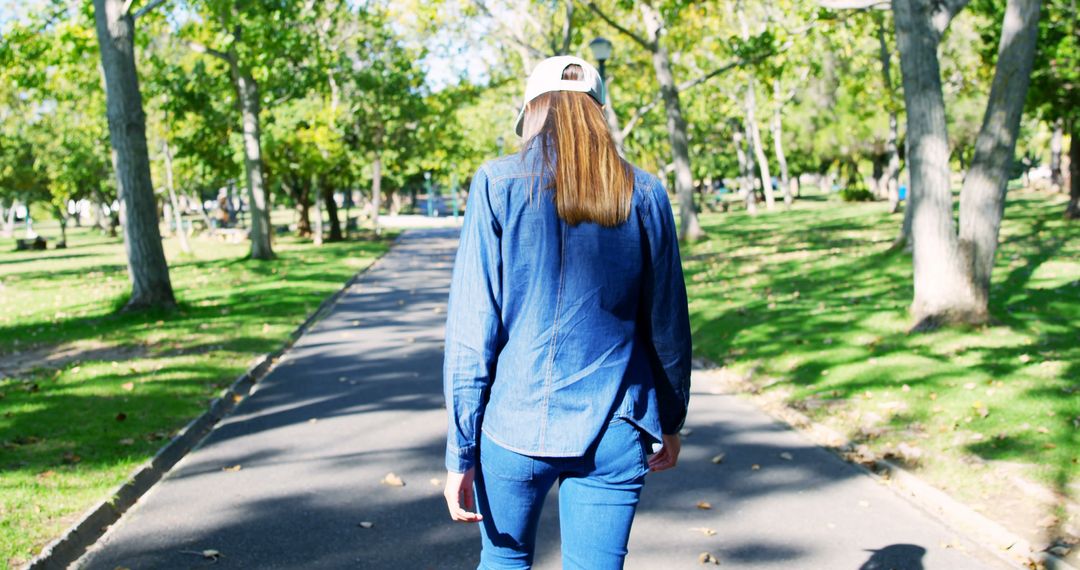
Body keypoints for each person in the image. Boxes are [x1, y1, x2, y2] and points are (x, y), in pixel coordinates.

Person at [442, 55, 692, 570]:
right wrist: (670, 420)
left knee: (504, 561)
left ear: (532, 111)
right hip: (616, 425)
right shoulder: (644, 192)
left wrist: (460, 452)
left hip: (515, 425)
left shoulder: (496, 183)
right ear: (599, 113)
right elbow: (667, 323)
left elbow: (472, 330)